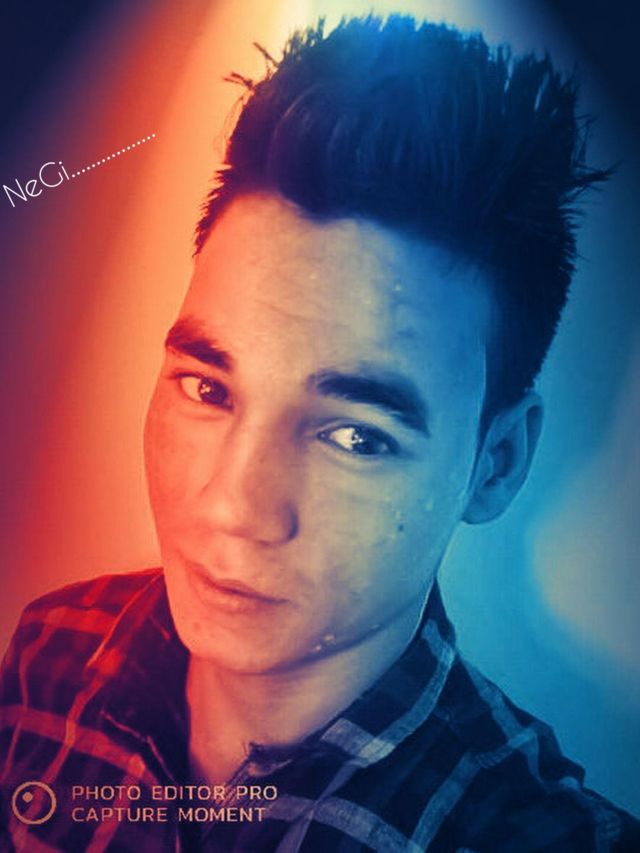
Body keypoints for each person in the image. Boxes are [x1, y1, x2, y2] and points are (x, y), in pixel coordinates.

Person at [1, 15, 638, 852]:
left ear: (496, 462)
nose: (233, 507)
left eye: (356, 437)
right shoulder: (47, 656)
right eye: (207, 388)